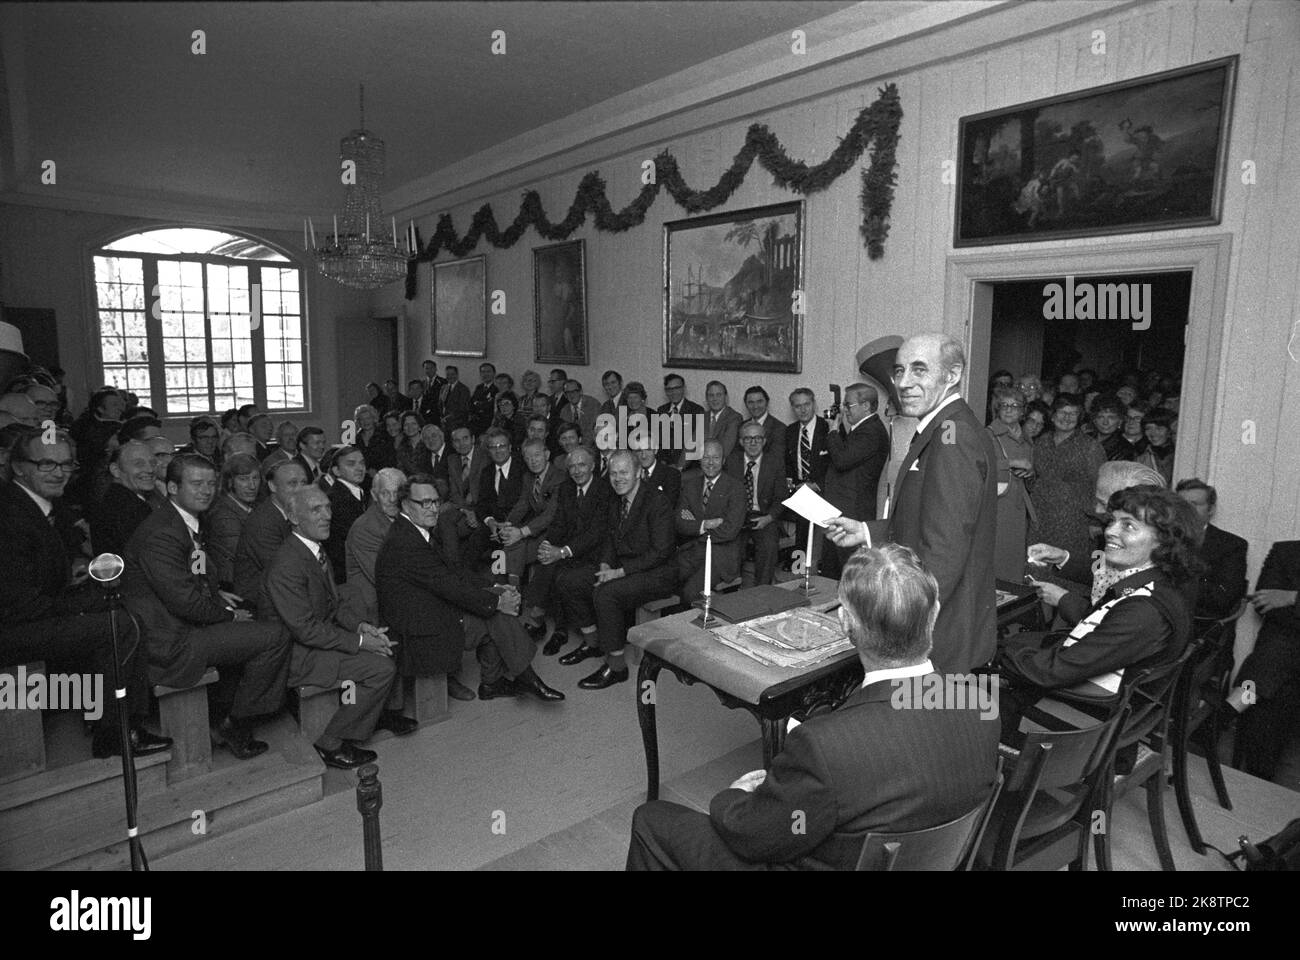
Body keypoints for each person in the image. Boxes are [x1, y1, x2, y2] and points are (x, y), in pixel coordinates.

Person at [626, 543, 1001, 871]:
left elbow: (758, 838)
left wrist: (733, 798)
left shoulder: (825, 746)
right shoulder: (982, 705)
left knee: (652, 818)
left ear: (845, 624)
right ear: (933, 615)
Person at [826, 332, 999, 675]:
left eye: (919, 371)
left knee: (917, 723)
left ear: (952, 375)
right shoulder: (943, 426)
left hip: (936, 631)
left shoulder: (953, 434)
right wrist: (865, 531)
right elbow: (924, 516)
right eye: (899, 371)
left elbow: (944, 551)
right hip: (933, 623)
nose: (904, 382)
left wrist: (899, 621)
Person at [0, 426, 169, 759]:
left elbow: (60, 556)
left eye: (65, 465)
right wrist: (84, 599)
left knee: (120, 605)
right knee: (119, 625)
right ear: (19, 466)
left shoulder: (40, 503)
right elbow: (22, 604)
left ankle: (102, 714)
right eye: (47, 464)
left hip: (34, 608)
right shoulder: (10, 513)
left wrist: (76, 569)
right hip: (13, 627)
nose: (59, 472)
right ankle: (117, 733)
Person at [122, 454, 291, 759]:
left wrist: (215, 596)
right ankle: (234, 721)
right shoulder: (163, 531)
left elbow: (191, 579)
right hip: (169, 643)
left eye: (211, 483)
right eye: (196, 483)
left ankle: (223, 713)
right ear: (172, 487)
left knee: (255, 620)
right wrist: (227, 614)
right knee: (276, 635)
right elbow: (184, 602)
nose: (206, 491)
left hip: (180, 626)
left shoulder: (180, 519)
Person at [1001, 487, 1198, 737]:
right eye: (1113, 521)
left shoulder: (1144, 610)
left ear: (1163, 541)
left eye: (1128, 526)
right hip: (1098, 709)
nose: (1109, 531)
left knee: (954, 708)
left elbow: (1053, 672)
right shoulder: (1153, 583)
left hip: (1077, 732)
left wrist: (999, 655)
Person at [375, 474, 564, 703]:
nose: (433, 508)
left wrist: (496, 586)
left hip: (425, 607)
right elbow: (449, 585)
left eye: (435, 502)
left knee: (493, 606)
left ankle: (500, 682)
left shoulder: (412, 529)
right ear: (405, 504)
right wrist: (496, 600)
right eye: (425, 503)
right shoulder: (407, 542)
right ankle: (514, 680)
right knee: (494, 612)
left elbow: (452, 571)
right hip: (416, 630)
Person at [263, 486, 413, 769]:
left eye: (328, 508)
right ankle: (330, 742)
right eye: (316, 510)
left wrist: (361, 627)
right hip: (296, 655)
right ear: (294, 518)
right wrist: (358, 642)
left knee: (387, 648)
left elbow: (333, 605)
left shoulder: (313, 549)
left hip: (314, 642)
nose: (327, 516)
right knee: (381, 669)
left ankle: (364, 718)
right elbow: (305, 630)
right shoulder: (287, 563)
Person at [556, 451, 676, 690]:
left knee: (605, 593)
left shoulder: (656, 501)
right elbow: (610, 539)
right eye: (613, 473)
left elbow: (660, 552)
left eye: (624, 472)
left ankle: (617, 666)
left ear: (639, 473)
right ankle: (592, 643)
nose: (618, 478)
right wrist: (604, 565)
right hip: (623, 565)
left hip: (657, 573)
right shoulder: (616, 498)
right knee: (567, 580)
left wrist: (618, 572)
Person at [521, 446, 612, 657]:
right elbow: (559, 523)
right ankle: (556, 628)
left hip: (596, 553)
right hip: (571, 549)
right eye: (572, 466)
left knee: (558, 570)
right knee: (546, 561)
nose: (577, 470)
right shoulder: (567, 488)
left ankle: (539, 619)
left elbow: (597, 533)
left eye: (582, 465)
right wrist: (548, 545)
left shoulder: (604, 490)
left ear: (592, 466)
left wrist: (562, 551)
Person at [1230, 541, 1300, 781]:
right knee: (1276, 660)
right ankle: (1257, 775)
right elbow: (1264, 606)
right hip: (1280, 655)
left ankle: (1229, 709)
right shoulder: (1286, 552)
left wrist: (1293, 597)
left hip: (1275, 657)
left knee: (1270, 663)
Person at [1028, 394, 1106, 595]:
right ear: (1052, 416)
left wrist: (1097, 522)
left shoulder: (1090, 447)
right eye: (1062, 412)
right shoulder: (1040, 442)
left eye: (1073, 413)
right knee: (1037, 572)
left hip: (1074, 522)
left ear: (1080, 417)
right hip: (1041, 520)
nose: (1067, 417)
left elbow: (1101, 486)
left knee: (1069, 576)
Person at [822, 382, 890, 575]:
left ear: (866, 406)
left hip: (853, 510)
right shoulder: (862, 429)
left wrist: (833, 430)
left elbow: (842, 460)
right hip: (844, 507)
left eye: (848, 405)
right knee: (835, 568)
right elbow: (848, 453)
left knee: (849, 570)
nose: (844, 410)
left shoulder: (871, 431)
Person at [675, 440, 746, 603]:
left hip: (720, 556)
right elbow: (679, 521)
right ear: (700, 459)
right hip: (691, 552)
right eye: (706, 457)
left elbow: (730, 530)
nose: (710, 462)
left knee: (690, 593)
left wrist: (695, 527)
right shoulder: (690, 485)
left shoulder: (736, 488)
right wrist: (705, 524)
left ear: (723, 460)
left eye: (715, 457)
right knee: (667, 582)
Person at [233, 459, 308, 611]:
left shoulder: (296, 513)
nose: (300, 490)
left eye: (304, 483)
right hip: (261, 604)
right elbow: (283, 572)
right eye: (293, 483)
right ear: (272, 486)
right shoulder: (263, 522)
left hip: (285, 593)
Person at [1175, 478, 1248, 622]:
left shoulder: (1231, 545)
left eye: (1194, 504)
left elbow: (1222, 598)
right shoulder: (1159, 537)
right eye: (1181, 504)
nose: (1186, 510)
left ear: (1211, 509)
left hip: (1199, 624)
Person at [725, 421, 785, 587]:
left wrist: (769, 518)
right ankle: (731, 592)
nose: (753, 443)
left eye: (757, 438)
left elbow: (782, 497)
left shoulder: (774, 462)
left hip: (763, 515)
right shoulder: (731, 461)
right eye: (748, 438)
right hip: (737, 516)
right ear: (741, 442)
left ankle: (762, 590)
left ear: (764, 441)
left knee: (769, 545)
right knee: (730, 546)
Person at [987, 386, 1037, 582]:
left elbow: (1031, 478)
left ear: (1023, 411)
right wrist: (1012, 463)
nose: (1008, 410)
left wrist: (1030, 471)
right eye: (1004, 406)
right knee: (997, 557)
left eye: (1014, 406)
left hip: (1018, 507)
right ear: (997, 409)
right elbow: (977, 466)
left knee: (1015, 558)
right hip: (997, 505)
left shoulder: (1027, 440)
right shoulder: (988, 434)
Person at [498, 438, 566, 581]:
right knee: (512, 543)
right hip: (536, 527)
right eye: (528, 458)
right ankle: (510, 589)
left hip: (555, 530)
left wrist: (521, 532)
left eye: (536, 455)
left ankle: (510, 589)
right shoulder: (528, 477)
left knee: (514, 548)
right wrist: (507, 524)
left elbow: (550, 514)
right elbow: (522, 505)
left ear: (547, 455)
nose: (533, 461)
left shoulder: (559, 477)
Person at [87, 439, 159, 557]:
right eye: (139, 464)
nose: (150, 469)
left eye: (152, 463)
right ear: (115, 470)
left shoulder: (116, 499)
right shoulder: (129, 508)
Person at [205, 452, 261, 591]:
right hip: (235, 587)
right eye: (244, 479)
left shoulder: (251, 506)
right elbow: (246, 554)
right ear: (230, 481)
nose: (252, 485)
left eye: (256, 478)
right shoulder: (223, 515)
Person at [324, 445, 370, 583]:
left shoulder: (360, 492)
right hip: (348, 575)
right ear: (336, 471)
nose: (359, 468)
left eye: (362, 463)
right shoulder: (336, 499)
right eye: (351, 464)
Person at [656, 374, 705, 468]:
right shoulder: (661, 410)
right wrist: (663, 462)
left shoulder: (696, 410)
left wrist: (679, 465)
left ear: (683, 389)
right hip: (664, 465)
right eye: (669, 389)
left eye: (677, 388)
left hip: (687, 467)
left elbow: (696, 443)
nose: (673, 392)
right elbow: (658, 441)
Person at [633, 437, 681, 510]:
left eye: (648, 449)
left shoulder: (671, 474)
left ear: (655, 450)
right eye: (639, 451)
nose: (643, 455)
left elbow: (667, 507)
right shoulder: (630, 474)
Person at [742, 385, 786, 461]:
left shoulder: (779, 428)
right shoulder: (741, 426)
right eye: (751, 402)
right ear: (746, 405)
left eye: (759, 401)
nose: (755, 406)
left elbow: (776, 459)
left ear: (767, 402)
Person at [703, 380, 743, 463]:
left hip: (722, 465)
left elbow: (725, 449)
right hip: (701, 463)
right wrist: (679, 468)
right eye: (711, 395)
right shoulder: (703, 416)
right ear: (706, 398)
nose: (715, 399)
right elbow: (691, 446)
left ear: (726, 397)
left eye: (719, 395)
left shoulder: (734, 417)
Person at [1089, 394, 1137, 461]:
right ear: (1094, 420)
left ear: (1120, 421)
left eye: (1111, 417)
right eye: (1100, 417)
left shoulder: (1126, 449)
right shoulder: (1085, 439)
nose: (1105, 422)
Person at [1137, 407, 1176, 485]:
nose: (1153, 433)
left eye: (1159, 428)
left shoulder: (1179, 455)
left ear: (1170, 430)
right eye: (1148, 428)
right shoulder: (1141, 458)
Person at [469, 362, 499, 437]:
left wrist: (478, 404)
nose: (485, 374)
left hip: (488, 425)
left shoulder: (497, 389)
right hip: (475, 424)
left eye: (488, 371)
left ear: (494, 373)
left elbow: (489, 406)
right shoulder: (478, 388)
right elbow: (471, 403)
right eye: (483, 372)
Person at [439, 365, 472, 434]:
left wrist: (448, 418)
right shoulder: (444, 388)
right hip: (444, 424)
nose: (450, 376)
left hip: (457, 424)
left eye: (452, 374)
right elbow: (441, 404)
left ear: (457, 375)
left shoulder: (463, 389)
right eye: (448, 374)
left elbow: (463, 409)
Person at [393, 410, 425, 475]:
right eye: (406, 424)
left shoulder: (428, 444)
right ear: (403, 428)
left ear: (419, 426)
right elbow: (400, 471)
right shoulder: (401, 447)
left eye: (414, 424)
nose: (410, 427)